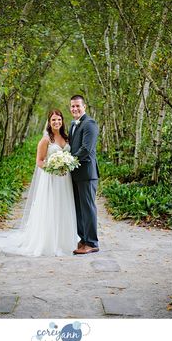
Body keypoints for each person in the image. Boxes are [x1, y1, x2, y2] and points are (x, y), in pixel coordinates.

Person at [0, 109, 78, 256]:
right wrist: (54, 168)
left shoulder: (66, 138)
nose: (57, 122)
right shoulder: (45, 140)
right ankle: (48, 242)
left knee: (63, 206)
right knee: (50, 207)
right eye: (53, 120)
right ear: (49, 123)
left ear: (62, 121)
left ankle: (64, 240)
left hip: (64, 179)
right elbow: (39, 161)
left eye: (59, 119)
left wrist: (66, 165)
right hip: (50, 179)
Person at [68, 95, 100, 255]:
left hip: (87, 174)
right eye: (72, 106)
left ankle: (92, 242)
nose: (75, 109)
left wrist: (68, 161)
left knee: (88, 208)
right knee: (79, 210)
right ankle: (84, 239)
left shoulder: (90, 124)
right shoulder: (73, 125)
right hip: (75, 174)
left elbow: (86, 149)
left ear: (84, 107)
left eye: (77, 106)